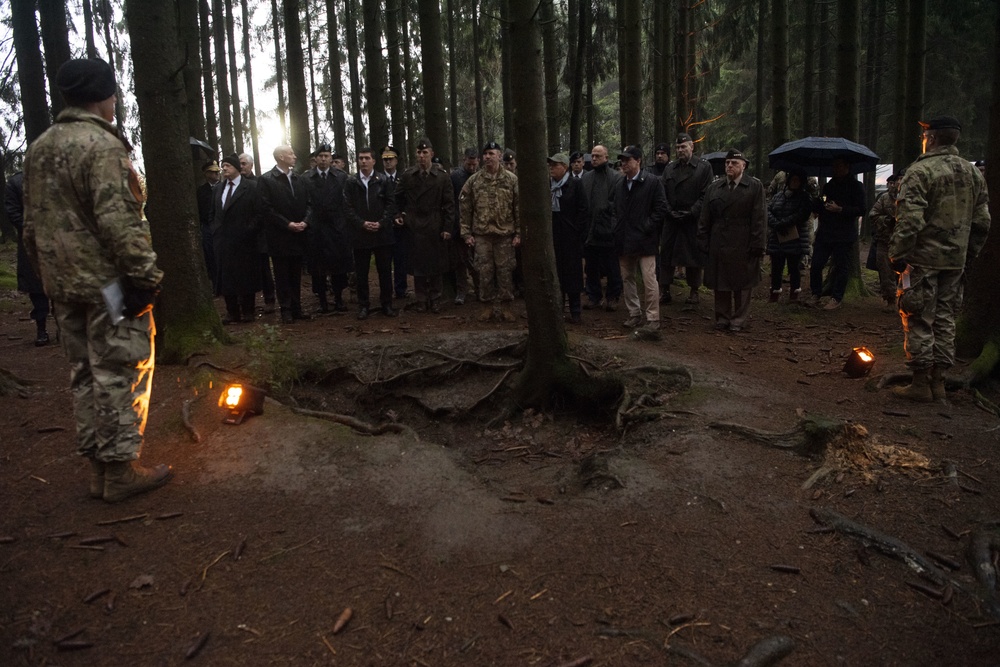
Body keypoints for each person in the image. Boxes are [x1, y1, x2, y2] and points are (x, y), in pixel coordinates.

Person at [22, 58, 171, 502]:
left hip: (63, 285)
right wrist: (147, 277)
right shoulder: (103, 147)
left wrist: (49, 275)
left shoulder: (40, 147)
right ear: (105, 96)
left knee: (84, 374)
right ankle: (120, 470)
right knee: (120, 371)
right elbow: (118, 221)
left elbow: (31, 227)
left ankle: (99, 471)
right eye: (113, 94)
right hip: (110, 285)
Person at [889, 116, 991, 403]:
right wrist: (968, 256)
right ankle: (939, 382)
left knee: (918, 317)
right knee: (946, 319)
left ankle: (921, 383)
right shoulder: (973, 174)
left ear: (930, 138)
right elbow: (983, 222)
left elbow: (909, 220)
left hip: (921, 260)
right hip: (955, 262)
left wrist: (898, 254)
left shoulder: (921, 171)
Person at [697, 149, 767, 332]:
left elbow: (759, 217)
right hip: (718, 240)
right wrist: (703, 240)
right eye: (727, 163)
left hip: (743, 240)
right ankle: (722, 317)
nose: (729, 165)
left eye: (734, 163)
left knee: (743, 283)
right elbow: (705, 217)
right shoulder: (714, 187)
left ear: (743, 166)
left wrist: (758, 244)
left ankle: (738, 319)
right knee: (721, 282)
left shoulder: (754, 186)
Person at [460, 141, 520, 322]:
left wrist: (519, 233)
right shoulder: (474, 180)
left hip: (504, 235)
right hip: (482, 235)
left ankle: (506, 306)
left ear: (499, 156)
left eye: (491, 153)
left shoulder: (511, 179)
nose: (487, 157)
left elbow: (518, 207)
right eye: (485, 154)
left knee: (505, 271)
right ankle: (485, 306)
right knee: (483, 272)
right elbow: (465, 207)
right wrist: (466, 233)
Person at [394, 137, 454, 313]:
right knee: (417, 264)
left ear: (431, 154)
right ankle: (420, 298)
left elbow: (450, 205)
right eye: (419, 153)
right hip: (414, 224)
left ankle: (435, 298)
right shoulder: (408, 176)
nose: (421, 156)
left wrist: (447, 228)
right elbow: (397, 197)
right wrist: (399, 214)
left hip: (435, 223)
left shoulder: (442, 177)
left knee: (435, 264)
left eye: (425, 153)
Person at [614, 145, 667, 331]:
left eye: (628, 160)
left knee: (649, 279)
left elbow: (661, 209)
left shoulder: (652, 182)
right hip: (624, 239)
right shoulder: (620, 185)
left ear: (638, 161)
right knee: (627, 277)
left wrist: (646, 226)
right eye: (622, 160)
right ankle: (634, 314)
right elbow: (615, 210)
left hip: (645, 240)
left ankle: (653, 318)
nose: (624, 163)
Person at [659, 132, 713, 305]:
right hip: (672, 219)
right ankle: (665, 289)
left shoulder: (704, 168)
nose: (680, 150)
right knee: (667, 255)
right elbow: (663, 193)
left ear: (692, 147)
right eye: (677, 147)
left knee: (693, 257)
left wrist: (692, 212)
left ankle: (694, 290)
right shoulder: (670, 168)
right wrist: (669, 211)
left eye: (683, 147)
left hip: (692, 219)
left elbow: (706, 194)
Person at [258, 145, 310, 323]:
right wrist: (287, 224)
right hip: (279, 236)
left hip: (299, 234)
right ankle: (285, 309)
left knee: (296, 273)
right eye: (290, 153)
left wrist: (305, 221)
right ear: (281, 157)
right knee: (282, 275)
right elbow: (266, 208)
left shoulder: (298, 178)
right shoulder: (266, 180)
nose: (294, 156)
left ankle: (297, 308)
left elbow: (309, 203)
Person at [345, 147, 397, 319]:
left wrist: (381, 223)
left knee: (384, 272)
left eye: (367, 158)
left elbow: (391, 204)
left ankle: (387, 304)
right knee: (361, 273)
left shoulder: (383, 180)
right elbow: (347, 207)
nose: (363, 161)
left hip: (382, 234)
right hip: (361, 235)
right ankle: (363, 306)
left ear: (374, 161)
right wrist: (362, 223)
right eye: (360, 158)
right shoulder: (351, 182)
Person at [808, 157, 866, 310]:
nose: (835, 169)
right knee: (816, 264)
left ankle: (836, 297)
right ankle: (815, 293)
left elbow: (862, 209)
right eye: (834, 166)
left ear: (846, 167)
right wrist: (817, 204)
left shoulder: (856, 186)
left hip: (844, 234)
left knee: (841, 266)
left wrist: (840, 209)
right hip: (825, 232)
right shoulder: (828, 185)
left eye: (838, 166)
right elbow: (822, 204)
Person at [212, 154, 262, 323]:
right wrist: (215, 230)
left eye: (228, 165)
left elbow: (259, 213)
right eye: (223, 165)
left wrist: (249, 230)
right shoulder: (218, 189)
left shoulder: (251, 187)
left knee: (246, 276)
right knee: (226, 278)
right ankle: (232, 311)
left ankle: (249, 311)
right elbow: (214, 213)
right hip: (223, 241)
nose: (224, 168)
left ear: (237, 168)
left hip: (245, 241)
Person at [303, 143, 352, 313]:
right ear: (315, 159)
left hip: (336, 227)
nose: (323, 159)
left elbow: (346, 202)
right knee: (318, 268)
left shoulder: (341, 177)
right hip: (316, 228)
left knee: (338, 266)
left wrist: (343, 223)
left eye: (326, 156)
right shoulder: (306, 178)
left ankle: (338, 298)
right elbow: (305, 203)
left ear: (331, 158)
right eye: (320, 156)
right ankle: (322, 300)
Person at [5, 172, 52, 346]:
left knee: (61, 284)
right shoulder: (16, 182)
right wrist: (31, 230)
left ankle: (64, 329)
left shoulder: (55, 177)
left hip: (57, 240)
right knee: (36, 287)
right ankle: (41, 329)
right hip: (30, 243)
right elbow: (12, 211)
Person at [581, 144, 624, 311]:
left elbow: (617, 206)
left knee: (612, 267)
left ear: (606, 158)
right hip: (589, 230)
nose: (594, 158)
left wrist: (612, 226)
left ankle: (613, 297)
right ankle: (594, 296)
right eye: (592, 156)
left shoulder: (615, 178)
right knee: (591, 266)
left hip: (608, 231)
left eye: (598, 156)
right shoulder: (586, 178)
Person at [548, 153, 589, 323]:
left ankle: (575, 311)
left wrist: (576, 231)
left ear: (564, 167)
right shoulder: (547, 185)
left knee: (572, 274)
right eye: (550, 165)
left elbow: (583, 210)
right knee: (555, 273)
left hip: (571, 237)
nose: (551, 168)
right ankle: (557, 310)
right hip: (553, 235)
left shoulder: (575, 184)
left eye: (554, 165)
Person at [765, 170, 813, 303]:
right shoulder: (778, 196)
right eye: (792, 179)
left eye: (797, 180)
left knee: (794, 268)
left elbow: (801, 215)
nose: (794, 182)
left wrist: (784, 223)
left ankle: (794, 293)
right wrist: (776, 224)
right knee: (776, 267)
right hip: (777, 238)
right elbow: (768, 210)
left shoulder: (805, 197)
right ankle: (774, 292)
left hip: (795, 239)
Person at [450, 147, 480, 305]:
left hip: (479, 226)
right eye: (469, 164)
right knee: (460, 261)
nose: (472, 167)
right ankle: (462, 291)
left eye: (474, 164)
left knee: (477, 260)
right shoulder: (455, 177)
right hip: (459, 225)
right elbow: (452, 201)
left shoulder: (481, 176)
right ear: (464, 160)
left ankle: (479, 289)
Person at [869, 173, 901, 308]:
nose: (895, 184)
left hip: (905, 243)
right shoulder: (884, 198)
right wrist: (888, 221)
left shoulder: (913, 198)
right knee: (885, 272)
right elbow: (873, 215)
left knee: (906, 273)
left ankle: (906, 301)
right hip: (885, 241)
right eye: (894, 182)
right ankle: (890, 300)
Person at [382, 145, 410, 299]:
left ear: (396, 161)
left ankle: (401, 289)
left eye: (390, 159)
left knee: (401, 259)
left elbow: (407, 199)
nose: (388, 162)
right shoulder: (378, 179)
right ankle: (386, 291)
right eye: (385, 160)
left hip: (401, 225)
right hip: (385, 225)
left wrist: (403, 215)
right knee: (386, 260)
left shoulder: (403, 178)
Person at [197, 160, 221, 292]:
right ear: (206, 174)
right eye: (212, 172)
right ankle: (216, 285)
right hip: (208, 228)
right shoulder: (201, 191)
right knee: (211, 257)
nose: (216, 174)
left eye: (217, 171)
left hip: (223, 227)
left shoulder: (224, 188)